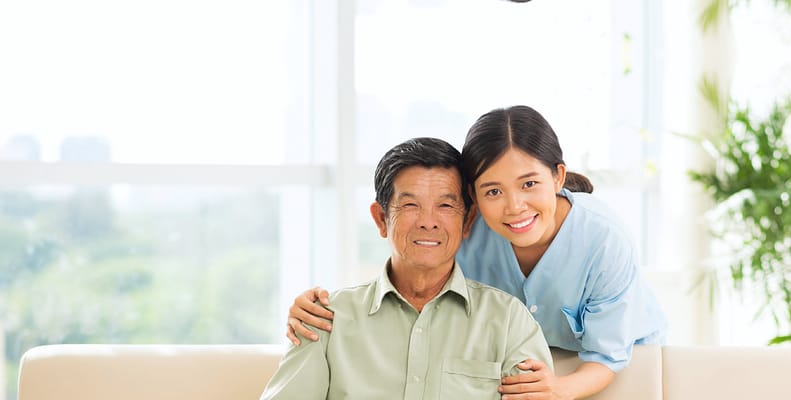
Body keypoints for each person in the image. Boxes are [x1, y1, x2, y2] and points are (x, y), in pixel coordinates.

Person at [286, 105, 668, 400]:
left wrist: (560, 388)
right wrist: (322, 305)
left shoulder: (603, 240)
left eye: (530, 183)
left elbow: (607, 355)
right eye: (493, 191)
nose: (515, 206)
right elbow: (412, 269)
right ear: (474, 199)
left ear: (557, 176)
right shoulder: (467, 228)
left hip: (609, 359)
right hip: (519, 355)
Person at [261, 137, 553, 400]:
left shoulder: (508, 321)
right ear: (380, 219)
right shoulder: (324, 319)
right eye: (410, 205)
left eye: (446, 206)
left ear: (468, 221)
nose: (429, 221)